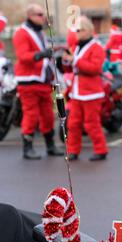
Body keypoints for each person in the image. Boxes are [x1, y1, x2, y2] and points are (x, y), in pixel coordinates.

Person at [13, 4, 64, 160]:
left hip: (43, 80)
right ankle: (27, 148)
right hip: (28, 80)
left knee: (48, 115)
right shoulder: (21, 33)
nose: (43, 17)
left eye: (43, 14)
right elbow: (23, 56)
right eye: (40, 15)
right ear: (30, 16)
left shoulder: (39, 32)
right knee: (31, 115)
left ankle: (50, 145)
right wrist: (42, 54)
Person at [62, 16, 108, 161]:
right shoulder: (76, 47)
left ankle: (101, 150)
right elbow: (71, 67)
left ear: (88, 31)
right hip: (77, 92)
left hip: (91, 93)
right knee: (73, 123)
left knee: (91, 124)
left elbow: (95, 68)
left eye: (78, 30)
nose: (76, 33)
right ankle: (73, 151)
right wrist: (65, 61)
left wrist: (74, 60)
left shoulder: (97, 47)